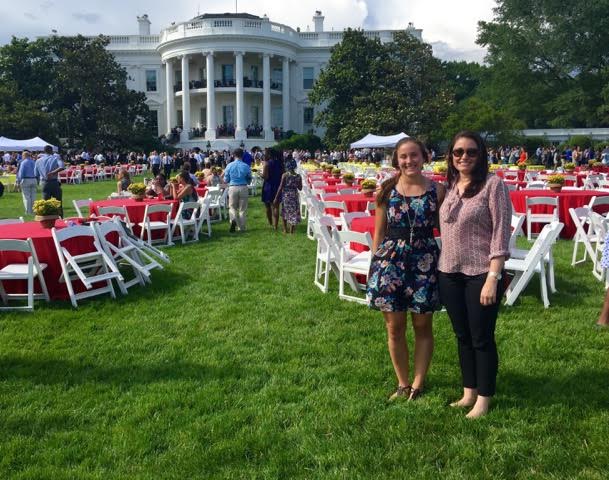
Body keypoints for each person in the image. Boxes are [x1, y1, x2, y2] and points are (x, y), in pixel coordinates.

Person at [438, 130, 511, 419]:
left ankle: (484, 397)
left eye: (471, 151)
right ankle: (469, 391)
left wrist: (493, 277)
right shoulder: (452, 184)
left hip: (481, 272)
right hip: (449, 272)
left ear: (481, 155)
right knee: (462, 335)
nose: (464, 157)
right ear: (451, 156)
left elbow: (500, 233)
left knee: (481, 337)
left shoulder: (494, 186)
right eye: (458, 152)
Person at [366, 137, 445, 401]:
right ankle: (402, 383)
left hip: (425, 261)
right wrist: (375, 266)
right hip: (390, 263)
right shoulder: (386, 190)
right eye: (403, 156)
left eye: (414, 155)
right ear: (396, 160)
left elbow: (445, 229)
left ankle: (418, 384)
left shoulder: (438, 191)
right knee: (394, 328)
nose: (409, 161)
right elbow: (378, 233)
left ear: (424, 157)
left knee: (423, 325)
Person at [223, 148, 251, 232]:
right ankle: (241, 227)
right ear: (242, 155)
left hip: (233, 187)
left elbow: (226, 180)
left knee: (232, 207)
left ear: (234, 155)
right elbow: (249, 178)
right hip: (243, 187)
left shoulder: (229, 165)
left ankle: (234, 219)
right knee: (242, 209)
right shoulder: (246, 166)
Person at [273, 155, 302, 233]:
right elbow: (300, 188)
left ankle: (285, 229)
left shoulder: (285, 175)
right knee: (293, 212)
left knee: (285, 211)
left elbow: (280, 187)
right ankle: (292, 230)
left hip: (286, 195)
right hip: (294, 195)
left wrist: (276, 197)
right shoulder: (298, 176)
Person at [34, 145, 65, 216]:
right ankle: (60, 219)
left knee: (45, 204)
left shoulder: (38, 160)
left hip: (44, 183)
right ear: (51, 151)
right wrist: (53, 172)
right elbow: (62, 166)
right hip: (54, 182)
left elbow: (36, 174)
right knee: (58, 203)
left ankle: (47, 220)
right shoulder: (55, 158)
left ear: (44, 151)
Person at [261, 148, 284, 229]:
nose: (265, 154)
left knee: (268, 206)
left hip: (268, 186)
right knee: (276, 206)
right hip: (277, 186)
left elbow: (265, 176)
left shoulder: (267, 164)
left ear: (269, 154)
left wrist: (260, 174)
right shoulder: (281, 163)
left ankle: (270, 223)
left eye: (266, 153)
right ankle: (275, 225)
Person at [17, 150, 38, 215]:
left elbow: (21, 173)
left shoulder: (24, 162)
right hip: (34, 179)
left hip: (26, 179)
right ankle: (34, 210)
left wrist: (18, 181)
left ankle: (28, 212)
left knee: (26, 197)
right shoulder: (34, 162)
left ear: (24, 156)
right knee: (33, 196)